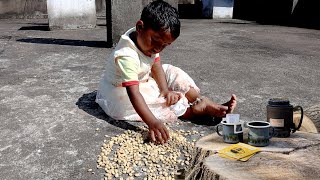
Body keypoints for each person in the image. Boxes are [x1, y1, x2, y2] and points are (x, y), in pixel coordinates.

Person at [96, 0, 236, 144]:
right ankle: (192, 111)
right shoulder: (126, 55)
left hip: (144, 78)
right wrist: (152, 122)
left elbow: (156, 65)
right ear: (140, 27)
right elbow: (134, 93)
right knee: (158, 105)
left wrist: (164, 90)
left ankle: (198, 99)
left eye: (165, 45)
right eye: (156, 41)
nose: (158, 49)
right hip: (122, 93)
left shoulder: (145, 40)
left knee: (172, 71)